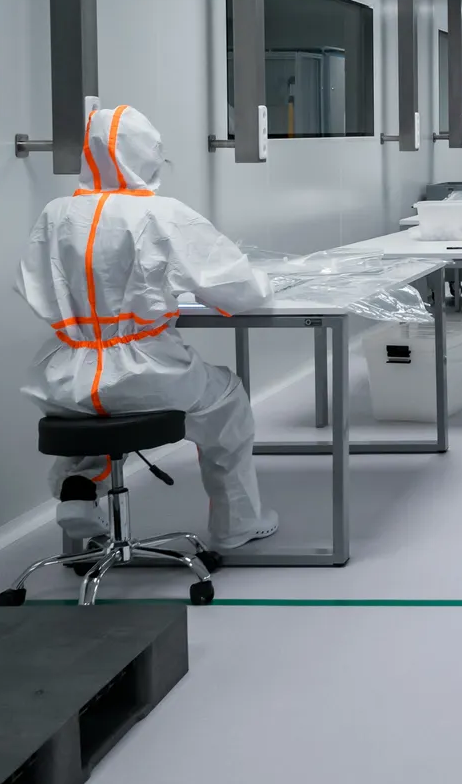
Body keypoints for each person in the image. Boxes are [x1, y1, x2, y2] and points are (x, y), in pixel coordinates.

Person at [17, 104, 280, 552]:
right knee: (227, 400)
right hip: (148, 370)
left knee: (100, 411)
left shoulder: (55, 214)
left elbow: (32, 284)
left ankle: (78, 492)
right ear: (145, 155)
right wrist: (266, 284)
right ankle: (239, 522)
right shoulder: (162, 214)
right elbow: (239, 290)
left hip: (66, 373)